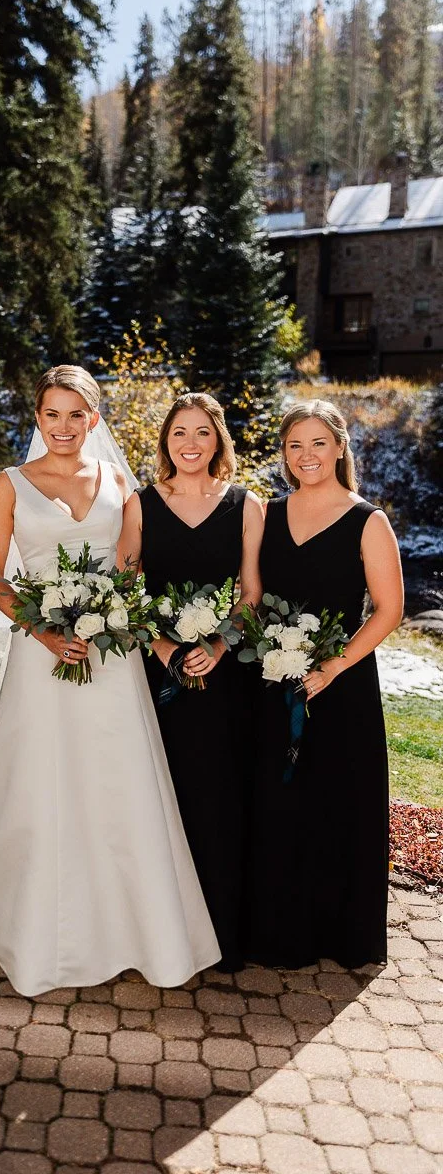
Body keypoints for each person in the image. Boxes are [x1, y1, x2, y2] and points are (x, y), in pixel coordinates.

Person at [0, 365, 220, 997]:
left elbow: (130, 573)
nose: (63, 426)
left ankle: (136, 926)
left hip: (112, 658)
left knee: (118, 778)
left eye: (77, 414)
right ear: (37, 418)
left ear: (95, 420)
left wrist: (113, 618)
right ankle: (33, 923)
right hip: (41, 652)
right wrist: (45, 631)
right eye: (51, 413)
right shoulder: (9, 484)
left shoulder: (120, 485)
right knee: (43, 777)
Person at [246, 399, 403, 969]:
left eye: (318, 443)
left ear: (340, 447)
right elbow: (254, 597)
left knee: (338, 803)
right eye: (294, 445)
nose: (306, 455)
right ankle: (278, 931)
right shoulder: (267, 512)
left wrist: (334, 666)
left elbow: (388, 609)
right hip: (274, 680)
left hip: (342, 687)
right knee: (279, 802)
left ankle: (340, 935)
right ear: (283, 454)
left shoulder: (368, 520)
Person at [117, 392, 264, 971]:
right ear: (166, 441)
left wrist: (221, 644)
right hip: (159, 676)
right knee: (162, 793)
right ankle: (161, 933)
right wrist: (165, 648)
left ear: (218, 441)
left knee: (222, 793)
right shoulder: (141, 504)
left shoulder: (246, 504)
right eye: (180, 432)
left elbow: (251, 592)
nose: (191, 444)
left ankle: (223, 929)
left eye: (203, 432)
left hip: (225, 678)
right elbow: (127, 590)